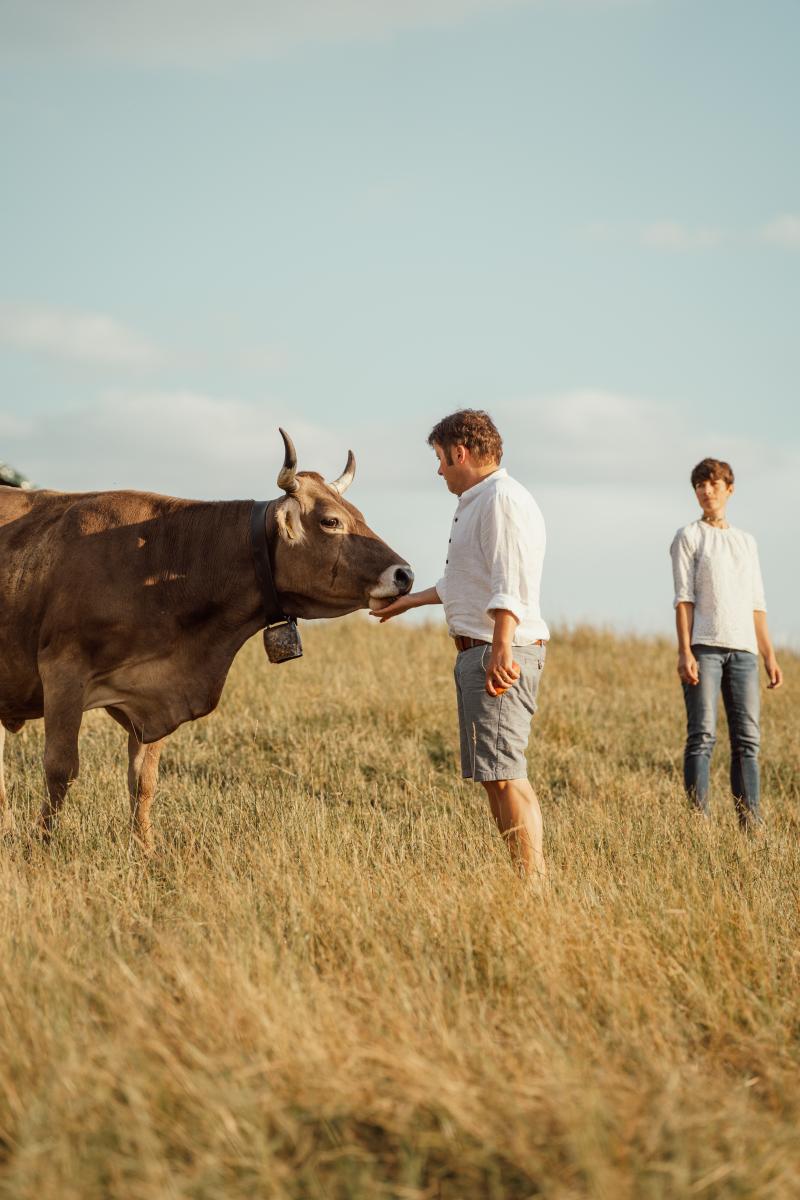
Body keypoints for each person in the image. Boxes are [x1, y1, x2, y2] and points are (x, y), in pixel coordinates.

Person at [370, 410, 549, 884]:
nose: (439, 470)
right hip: (481, 649)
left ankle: (534, 886)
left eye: (441, 459)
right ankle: (524, 877)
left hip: (496, 650)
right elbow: (463, 581)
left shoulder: (501, 499)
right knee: (494, 775)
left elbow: (510, 579)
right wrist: (410, 602)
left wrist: (501, 649)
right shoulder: (479, 500)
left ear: (460, 452)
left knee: (507, 775)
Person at [670, 457, 782, 829]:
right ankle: (696, 823)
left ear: (729, 489)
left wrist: (770, 656)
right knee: (702, 735)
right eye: (700, 485)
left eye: (714, 484)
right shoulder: (689, 536)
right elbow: (683, 599)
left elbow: (757, 604)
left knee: (748, 741)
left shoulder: (746, 542)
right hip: (705, 647)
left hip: (745, 651)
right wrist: (685, 651)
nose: (706, 491)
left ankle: (751, 824)